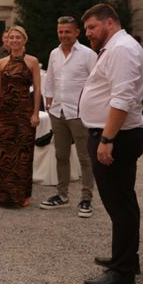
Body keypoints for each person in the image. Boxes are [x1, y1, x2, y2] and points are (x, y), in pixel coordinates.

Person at [79, 4, 143, 284]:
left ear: (109, 22)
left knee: (119, 205)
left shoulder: (121, 49)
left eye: (91, 28)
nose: (88, 34)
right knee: (123, 202)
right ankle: (126, 258)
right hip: (113, 134)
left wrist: (107, 140)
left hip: (116, 137)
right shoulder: (116, 47)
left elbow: (122, 98)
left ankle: (123, 272)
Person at [40, 16, 97, 217]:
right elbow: (50, 79)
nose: (64, 35)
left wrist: (90, 107)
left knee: (85, 156)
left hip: (79, 113)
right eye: (60, 32)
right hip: (58, 111)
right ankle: (62, 195)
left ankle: (86, 198)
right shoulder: (54, 54)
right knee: (61, 155)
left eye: (67, 31)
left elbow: (96, 82)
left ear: (76, 33)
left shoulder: (88, 55)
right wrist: (48, 100)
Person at [0, 25, 41, 207]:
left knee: (22, 152)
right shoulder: (1, 62)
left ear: (24, 40)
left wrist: (35, 113)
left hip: (24, 109)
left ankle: (21, 194)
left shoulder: (32, 62)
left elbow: (37, 88)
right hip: (5, 110)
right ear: (7, 40)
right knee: (1, 152)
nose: (14, 40)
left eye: (18, 37)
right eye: (12, 37)